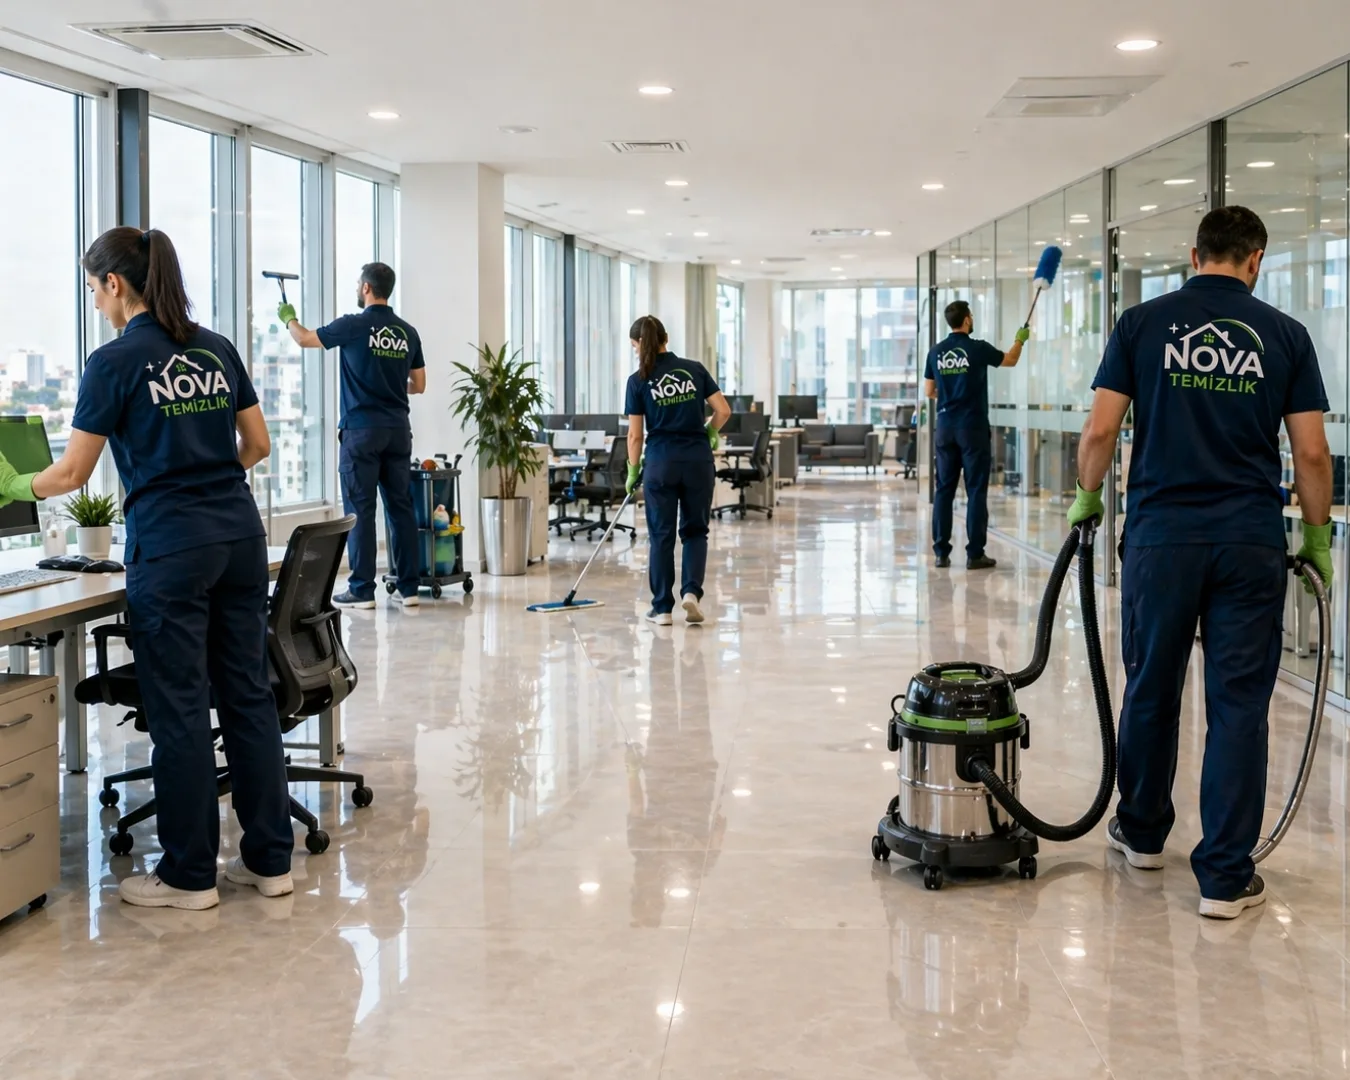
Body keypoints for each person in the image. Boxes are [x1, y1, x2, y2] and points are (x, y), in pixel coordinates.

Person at [0, 227, 294, 910]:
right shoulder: (215, 347)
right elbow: (257, 444)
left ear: (115, 284)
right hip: (239, 538)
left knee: (182, 709)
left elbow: (72, 473)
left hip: (172, 547)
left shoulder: (114, 361)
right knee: (248, 697)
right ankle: (271, 863)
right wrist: (210, 483)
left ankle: (189, 877)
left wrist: (15, 485)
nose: (95, 303)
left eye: (93, 289)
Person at [1068, 205, 1333, 920]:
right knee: (1239, 704)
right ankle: (1223, 876)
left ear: (1194, 256)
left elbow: (1100, 430)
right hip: (1248, 543)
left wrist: (1087, 497)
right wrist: (1316, 538)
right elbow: (1312, 453)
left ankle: (1143, 834)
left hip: (1161, 540)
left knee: (1151, 688)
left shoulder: (1141, 325)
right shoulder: (1286, 336)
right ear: (1256, 260)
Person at [282, 262, 425, 608]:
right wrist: (391, 385)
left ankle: (362, 590)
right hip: (397, 430)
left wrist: (288, 318)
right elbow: (419, 385)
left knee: (361, 509)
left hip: (361, 431)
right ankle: (409, 589)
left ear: (366, 288)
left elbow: (304, 339)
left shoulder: (353, 325)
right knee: (401, 508)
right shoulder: (407, 332)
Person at [624, 316, 731, 625]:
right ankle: (691, 593)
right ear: (666, 338)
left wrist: (633, 470)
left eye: (634, 346)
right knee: (695, 531)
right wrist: (711, 429)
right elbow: (723, 410)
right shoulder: (694, 369)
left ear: (639, 344)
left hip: (661, 464)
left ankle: (662, 609)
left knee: (661, 535)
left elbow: (635, 436)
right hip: (698, 461)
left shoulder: (638, 380)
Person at [923, 301, 1028, 569]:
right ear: (967, 320)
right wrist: (1020, 340)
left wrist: (949, 395)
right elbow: (1011, 359)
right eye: (972, 315)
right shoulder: (978, 348)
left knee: (944, 490)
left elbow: (929, 391)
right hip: (972, 428)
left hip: (945, 427)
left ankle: (941, 553)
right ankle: (975, 554)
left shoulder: (935, 352)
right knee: (976, 490)